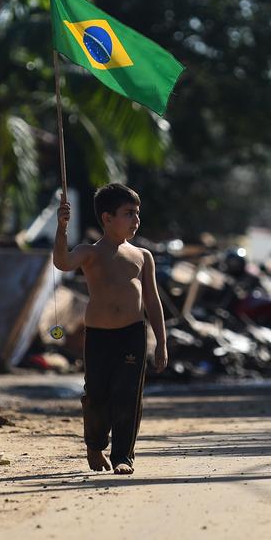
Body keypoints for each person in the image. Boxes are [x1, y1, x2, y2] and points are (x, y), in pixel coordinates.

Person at [53, 183, 167, 475]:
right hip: (99, 337)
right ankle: (94, 444)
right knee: (96, 396)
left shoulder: (143, 256)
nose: (136, 220)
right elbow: (62, 262)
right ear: (107, 218)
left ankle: (123, 456)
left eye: (137, 214)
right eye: (128, 213)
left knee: (128, 395)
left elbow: (153, 301)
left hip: (133, 334)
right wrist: (62, 228)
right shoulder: (89, 252)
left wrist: (162, 343)